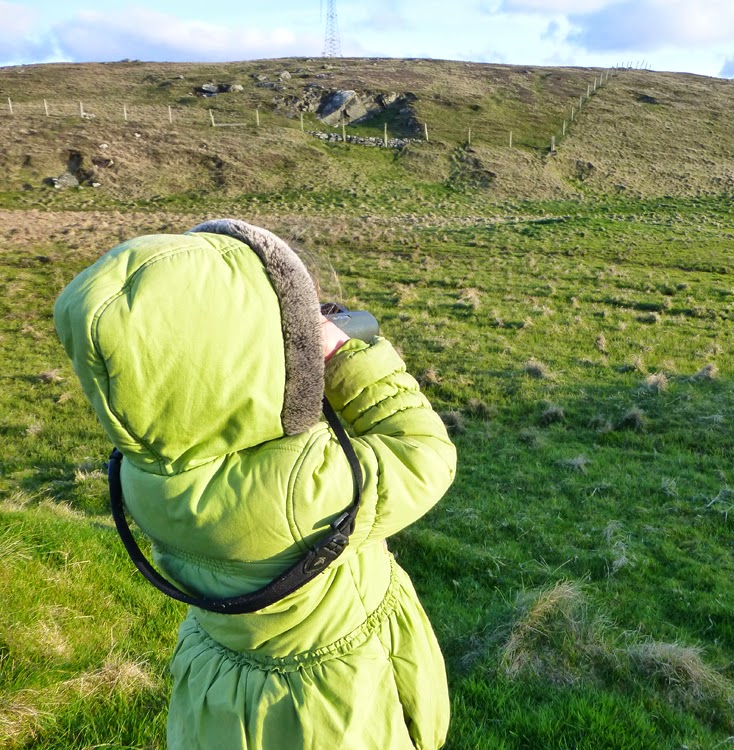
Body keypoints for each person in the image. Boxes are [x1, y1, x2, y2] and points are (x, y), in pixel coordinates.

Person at [53, 219, 456, 749]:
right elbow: (425, 455)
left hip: (221, 692)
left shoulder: (143, 471)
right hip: (328, 710)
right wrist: (342, 359)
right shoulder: (300, 485)